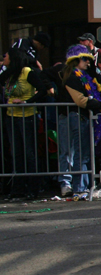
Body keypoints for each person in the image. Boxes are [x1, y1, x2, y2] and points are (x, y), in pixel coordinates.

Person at [58, 45, 101, 198]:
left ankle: (81, 187)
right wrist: (100, 104)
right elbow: (81, 100)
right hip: (72, 117)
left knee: (81, 153)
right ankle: (73, 186)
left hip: (81, 117)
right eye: (85, 59)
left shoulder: (86, 76)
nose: (88, 62)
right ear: (75, 60)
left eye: (89, 59)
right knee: (71, 153)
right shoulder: (71, 76)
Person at [1, 48, 48, 199]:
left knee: (29, 153)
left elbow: (42, 90)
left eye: (5, 56)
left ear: (13, 57)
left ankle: (33, 188)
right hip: (11, 116)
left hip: (27, 116)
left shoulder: (27, 71)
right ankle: (18, 188)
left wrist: (26, 102)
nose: (4, 59)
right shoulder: (9, 73)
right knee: (16, 153)